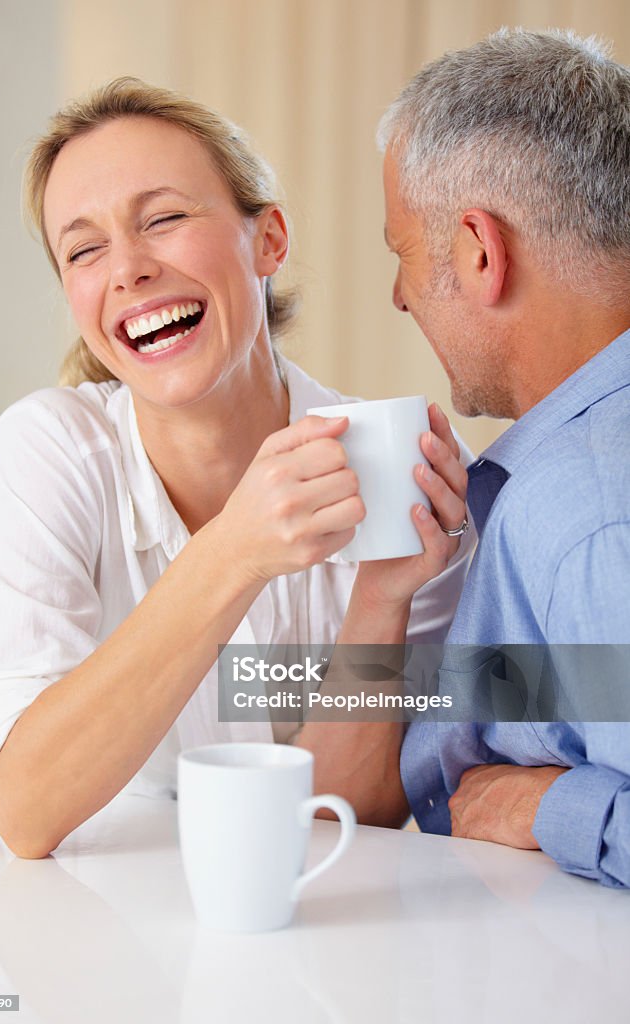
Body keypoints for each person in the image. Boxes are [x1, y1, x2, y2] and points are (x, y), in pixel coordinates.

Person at [0, 78, 473, 858]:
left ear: (268, 240)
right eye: (85, 248)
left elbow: (340, 831)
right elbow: (23, 810)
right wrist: (234, 550)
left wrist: (381, 599)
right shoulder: (52, 449)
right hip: (102, 912)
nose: (127, 269)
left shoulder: (394, 466)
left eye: (163, 219)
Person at [377, 28, 630, 886]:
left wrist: (546, 808)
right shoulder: (565, 487)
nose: (400, 295)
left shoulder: (591, 511)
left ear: (480, 251)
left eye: (403, 252)